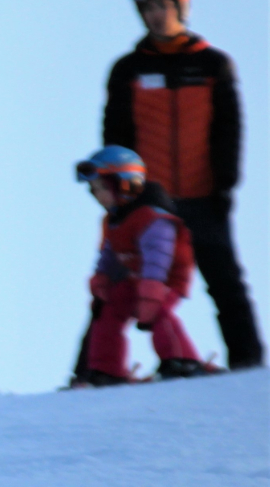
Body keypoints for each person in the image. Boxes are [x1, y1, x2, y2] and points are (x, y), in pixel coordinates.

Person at [102, 0, 259, 370]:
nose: (157, 15)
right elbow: (115, 137)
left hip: (203, 194)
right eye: (148, 8)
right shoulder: (128, 69)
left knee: (225, 282)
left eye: (165, 6)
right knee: (118, 283)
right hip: (150, 201)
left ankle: (248, 365)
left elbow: (229, 130)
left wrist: (224, 186)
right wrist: (118, 193)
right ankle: (96, 370)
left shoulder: (212, 64)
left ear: (181, 7)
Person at [72, 146, 223, 386]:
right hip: (135, 279)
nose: (97, 195)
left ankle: (180, 359)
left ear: (124, 183)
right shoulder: (115, 219)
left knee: (159, 312)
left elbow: (158, 256)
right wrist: (102, 279)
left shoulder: (154, 218)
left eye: (101, 187)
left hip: (164, 279)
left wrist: (152, 289)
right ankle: (106, 370)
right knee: (107, 310)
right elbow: (110, 254)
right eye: (94, 190)